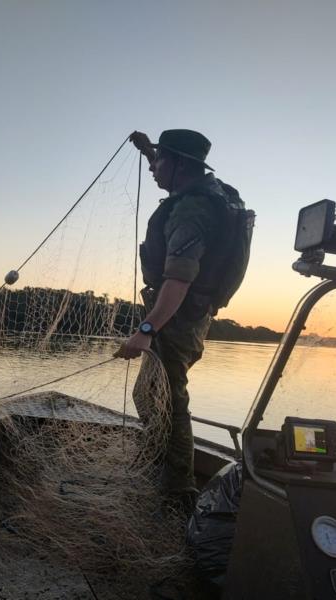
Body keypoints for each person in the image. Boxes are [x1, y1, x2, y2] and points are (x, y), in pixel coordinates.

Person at [115, 129, 251, 512]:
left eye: (160, 161)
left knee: (171, 401)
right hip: (190, 314)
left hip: (177, 318)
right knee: (150, 395)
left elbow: (177, 281)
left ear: (179, 165)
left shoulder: (192, 212)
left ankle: (178, 493)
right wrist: (148, 151)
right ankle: (162, 464)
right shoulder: (212, 191)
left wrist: (145, 330)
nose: (154, 169)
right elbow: (170, 171)